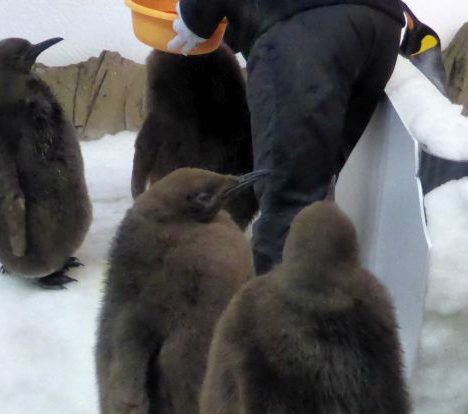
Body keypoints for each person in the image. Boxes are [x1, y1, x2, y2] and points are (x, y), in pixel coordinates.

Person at [169, 0, 403, 274]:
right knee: (315, 193)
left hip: (304, 27)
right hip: (380, 22)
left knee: (288, 205)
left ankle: (273, 315)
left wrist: (196, 13)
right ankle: (316, 306)